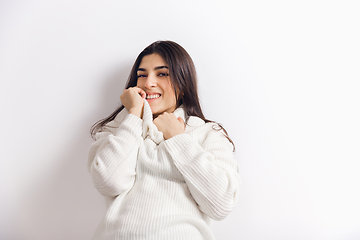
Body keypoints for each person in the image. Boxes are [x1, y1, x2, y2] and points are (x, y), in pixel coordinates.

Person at [88, 40, 241, 240]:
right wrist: (134, 114)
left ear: (183, 84)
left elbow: (221, 203)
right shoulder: (118, 128)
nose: (148, 82)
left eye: (162, 73)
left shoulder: (207, 133)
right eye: (142, 75)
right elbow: (109, 182)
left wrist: (177, 138)